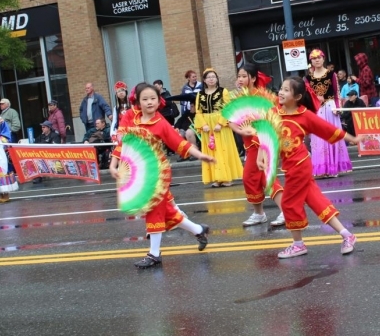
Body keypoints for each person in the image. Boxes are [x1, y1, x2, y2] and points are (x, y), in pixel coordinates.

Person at [109, 82, 215, 269]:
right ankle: (199, 230)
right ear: (138, 102)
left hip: (157, 174)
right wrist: (113, 164)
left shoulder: (160, 123)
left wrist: (200, 155)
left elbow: (180, 143)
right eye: (145, 99)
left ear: (159, 101)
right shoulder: (132, 120)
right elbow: (124, 145)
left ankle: (154, 254)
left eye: (153, 98)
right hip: (139, 173)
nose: (149, 102)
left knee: (154, 211)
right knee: (167, 211)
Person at [258, 76, 363, 258]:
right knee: (316, 201)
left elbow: (329, 129)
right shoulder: (273, 112)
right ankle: (347, 235)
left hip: (299, 165)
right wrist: (261, 153)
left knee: (289, 204)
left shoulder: (305, 115)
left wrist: (352, 139)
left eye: (286, 90)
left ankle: (298, 245)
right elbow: (265, 134)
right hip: (291, 165)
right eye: (281, 88)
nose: (280, 92)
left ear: (297, 97)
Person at [231, 63, 285, 227]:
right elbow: (230, 119)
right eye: (239, 76)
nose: (240, 79)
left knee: (262, 177)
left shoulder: (262, 97)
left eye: (244, 76)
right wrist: (240, 130)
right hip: (249, 144)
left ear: (253, 78)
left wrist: (255, 132)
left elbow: (272, 119)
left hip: (262, 142)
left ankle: (283, 211)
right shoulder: (239, 97)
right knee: (254, 178)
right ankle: (260, 213)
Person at [186, 68, 243, 187]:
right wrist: (203, 125)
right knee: (212, 151)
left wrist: (220, 123)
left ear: (217, 79)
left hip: (220, 125)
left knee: (223, 149)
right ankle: (217, 178)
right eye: (208, 77)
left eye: (213, 77)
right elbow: (198, 111)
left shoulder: (223, 91)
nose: (211, 79)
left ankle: (227, 178)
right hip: (207, 126)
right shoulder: (200, 94)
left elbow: (228, 108)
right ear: (204, 80)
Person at [306, 49, 352, 178]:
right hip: (316, 110)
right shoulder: (308, 78)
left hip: (330, 108)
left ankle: (333, 168)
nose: (317, 60)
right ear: (311, 61)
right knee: (318, 138)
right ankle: (322, 169)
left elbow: (337, 93)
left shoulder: (332, 74)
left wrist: (338, 108)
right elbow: (307, 96)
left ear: (323, 59)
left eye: (319, 57)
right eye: (314, 58)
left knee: (332, 135)